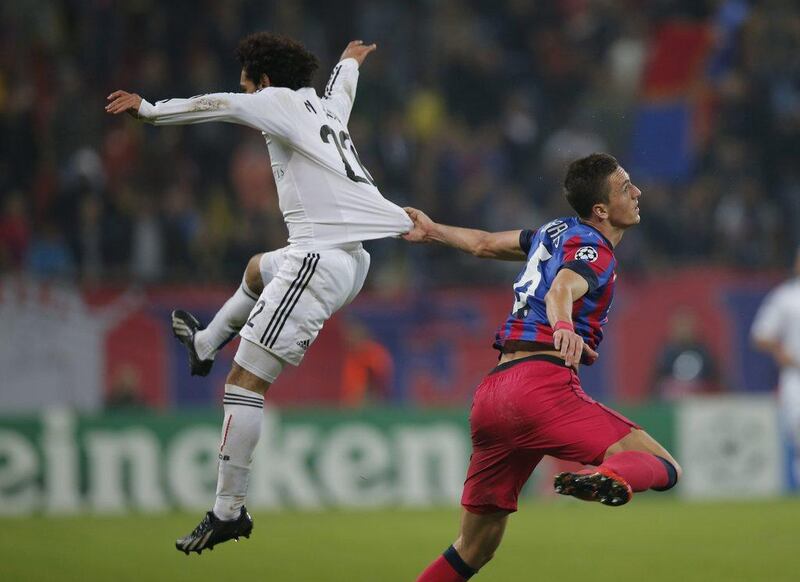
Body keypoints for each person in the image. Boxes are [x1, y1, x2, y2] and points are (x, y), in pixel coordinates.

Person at [106, 34, 412, 554]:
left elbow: (220, 106)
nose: (242, 89)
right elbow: (343, 90)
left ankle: (228, 510)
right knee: (256, 269)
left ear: (264, 81)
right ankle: (205, 344)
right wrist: (349, 61)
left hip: (317, 258)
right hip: (350, 259)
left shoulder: (277, 102)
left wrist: (152, 111)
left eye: (247, 80)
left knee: (244, 384)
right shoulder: (321, 104)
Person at [404, 153, 681, 581]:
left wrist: (433, 230)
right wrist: (565, 327)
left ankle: (604, 477)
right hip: (539, 389)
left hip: (493, 395)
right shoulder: (597, 251)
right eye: (626, 187)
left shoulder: (552, 231)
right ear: (601, 210)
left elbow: (483, 244)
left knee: (474, 548)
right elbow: (560, 290)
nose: (637, 191)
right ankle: (605, 477)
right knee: (665, 468)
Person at [751, 246, 800, 488]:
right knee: (797, 432)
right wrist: (781, 352)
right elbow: (761, 334)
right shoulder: (786, 297)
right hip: (796, 375)